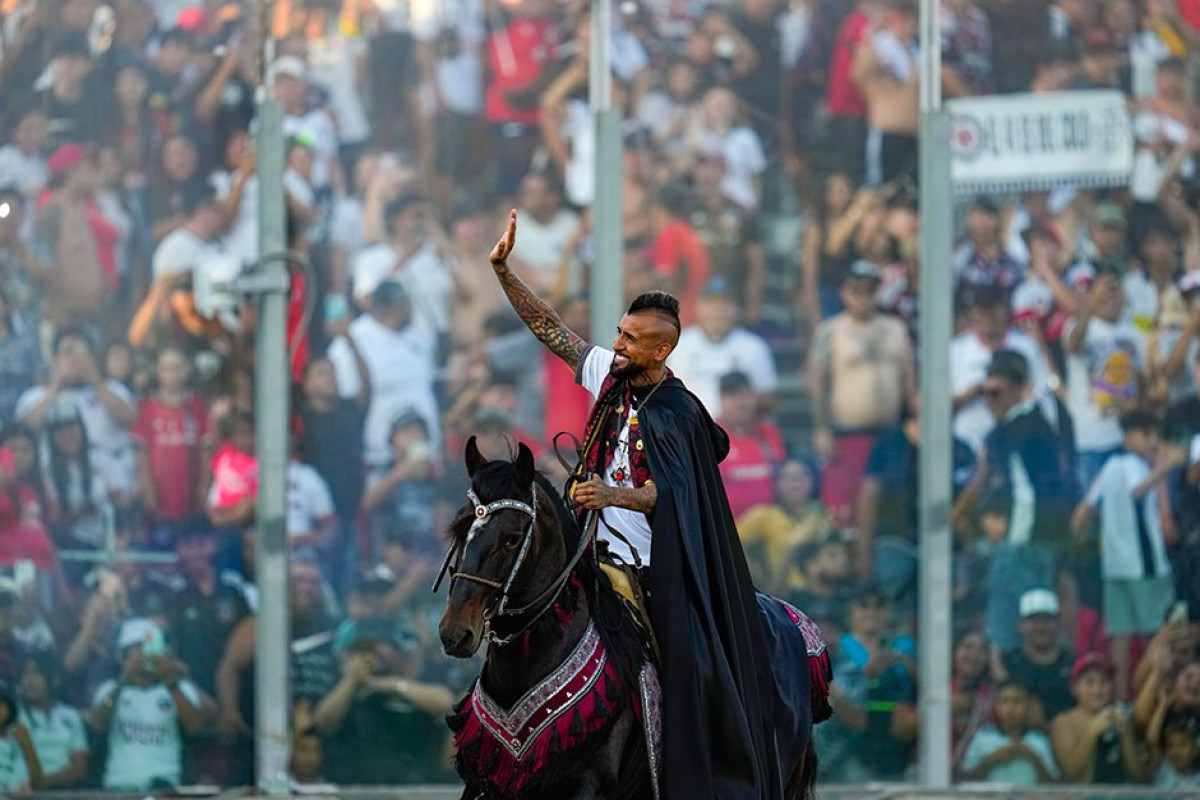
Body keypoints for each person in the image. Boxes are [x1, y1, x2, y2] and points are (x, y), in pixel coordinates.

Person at [486, 209, 822, 798]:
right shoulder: (610, 376)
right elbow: (552, 330)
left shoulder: (678, 412)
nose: (615, 345)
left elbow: (675, 494)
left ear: (662, 349)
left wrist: (610, 493)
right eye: (617, 333)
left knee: (688, 670)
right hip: (590, 555)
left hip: (653, 568)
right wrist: (503, 272)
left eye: (629, 339)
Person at [1071, 408, 1182, 700]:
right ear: (1129, 438)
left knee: (1119, 637)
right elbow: (1137, 491)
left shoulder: (1109, 466)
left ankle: (1120, 701)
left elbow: (1085, 509)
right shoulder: (1134, 464)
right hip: (1144, 566)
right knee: (1157, 635)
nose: (1153, 442)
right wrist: (1165, 467)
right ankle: (1158, 696)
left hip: (1114, 567)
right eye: (1147, 435)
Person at [1050, 652, 1145, 784]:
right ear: (1074, 688)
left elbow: (1138, 776)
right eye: (1089, 682)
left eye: (1104, 682)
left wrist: (1126, 734)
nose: (1097, 690)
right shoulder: (1064, 722)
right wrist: (1092, 732)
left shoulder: (1122, 718)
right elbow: (1070, 772)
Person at [998, 588, 1076, 723]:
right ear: (1020, 625)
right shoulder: (1007, 664)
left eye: (1047, 620)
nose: (1041, 627)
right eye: (1033, 621)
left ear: (1058, 624)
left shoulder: (1073, 664)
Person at [960, 679, 1059, 784]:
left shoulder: (1039, 741)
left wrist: (1032, 757)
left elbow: (1053, 783)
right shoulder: (982, 738)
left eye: (1017, 702)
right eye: (1004, 701)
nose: (1010, 708)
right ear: (996, 706)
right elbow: (966, 778)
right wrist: (990, 761)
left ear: (1028, 706)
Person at [14, 652, 89, 789]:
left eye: (36, 673)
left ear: (54, 679)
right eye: (25, 674)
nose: (28, 680)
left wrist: (42, 784)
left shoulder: (71, 716)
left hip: (60, 793)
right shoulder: (13, 717)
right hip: (17, 793)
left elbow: (80, 769)